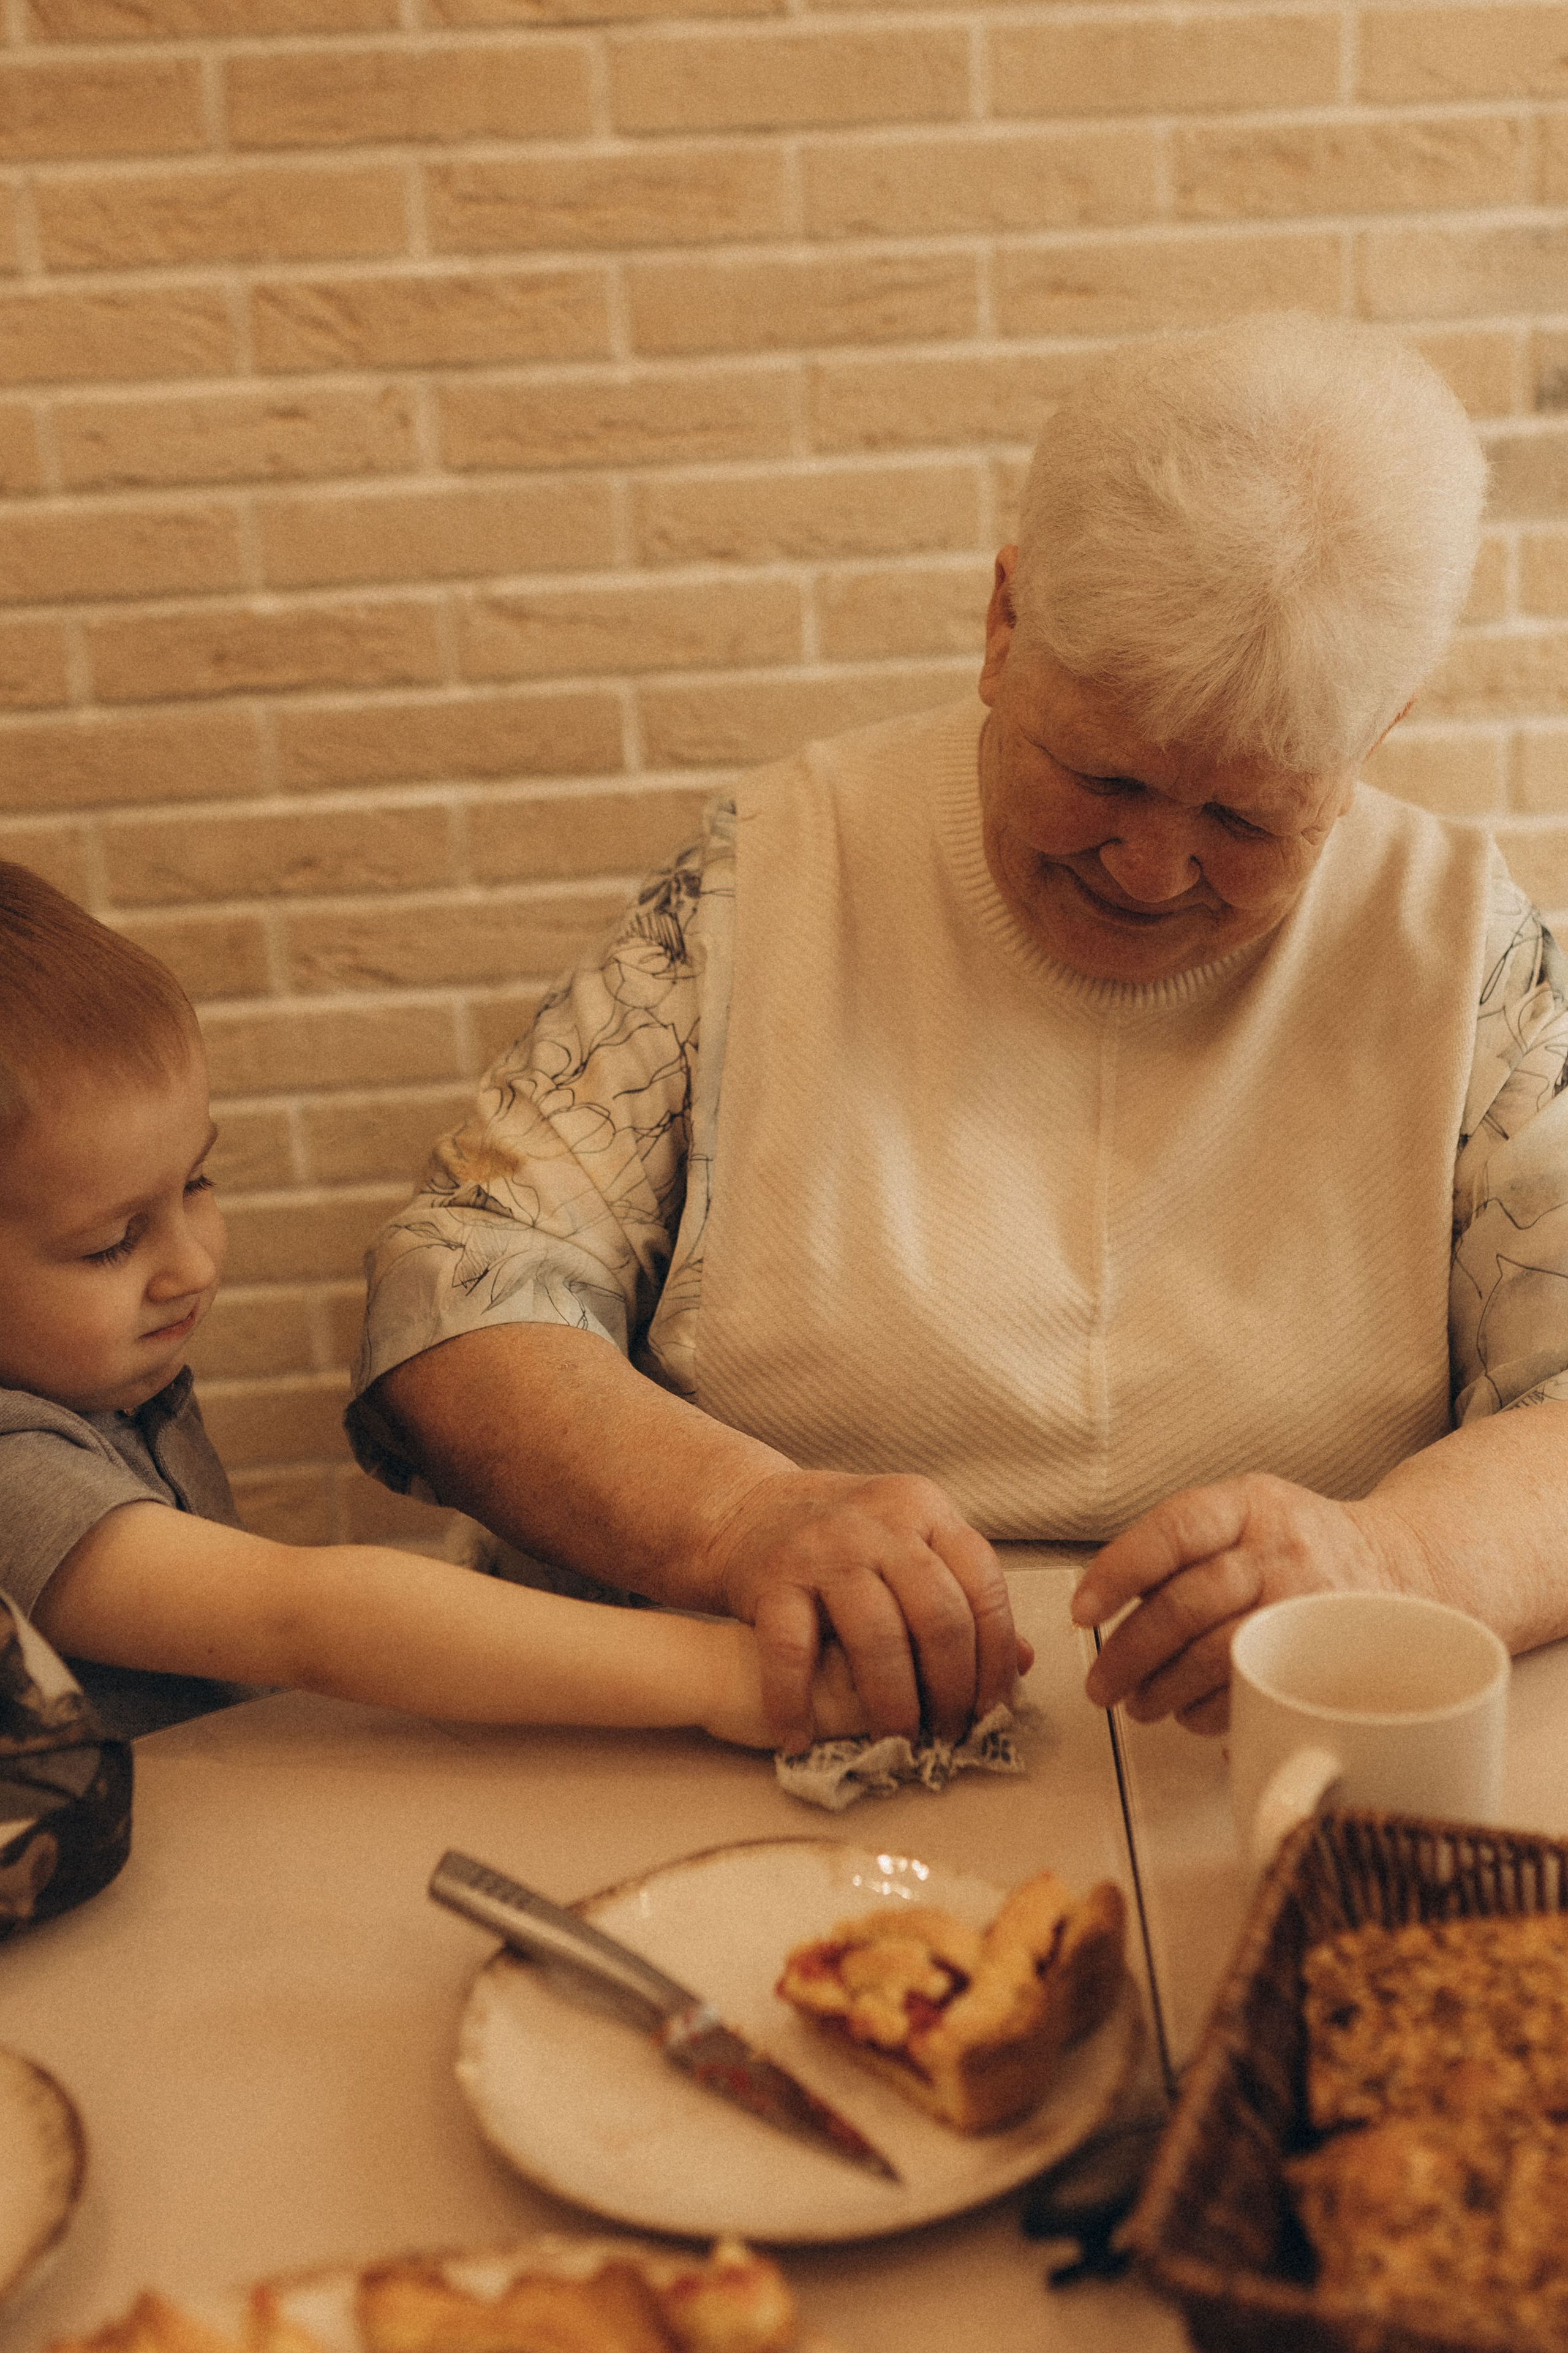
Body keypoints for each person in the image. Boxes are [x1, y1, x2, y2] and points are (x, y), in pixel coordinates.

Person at [351, 310, 1568, 1750]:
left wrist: (1390, 1565)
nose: (1152, 867)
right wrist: (736, 1517)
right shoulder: (769, 876)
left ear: (1376, 734)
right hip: (769, 1730)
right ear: (1003, 623)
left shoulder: (1461, 950)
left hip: (1265, 1759)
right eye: (1101, 774)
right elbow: (457, 1297)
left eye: (1245, 816)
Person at [0, 863, 870, 1747]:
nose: (189, 1264)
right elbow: (302, 1620)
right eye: (112, 1241)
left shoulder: (103, 1383)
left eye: (197, 1182)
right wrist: (720, 1674)